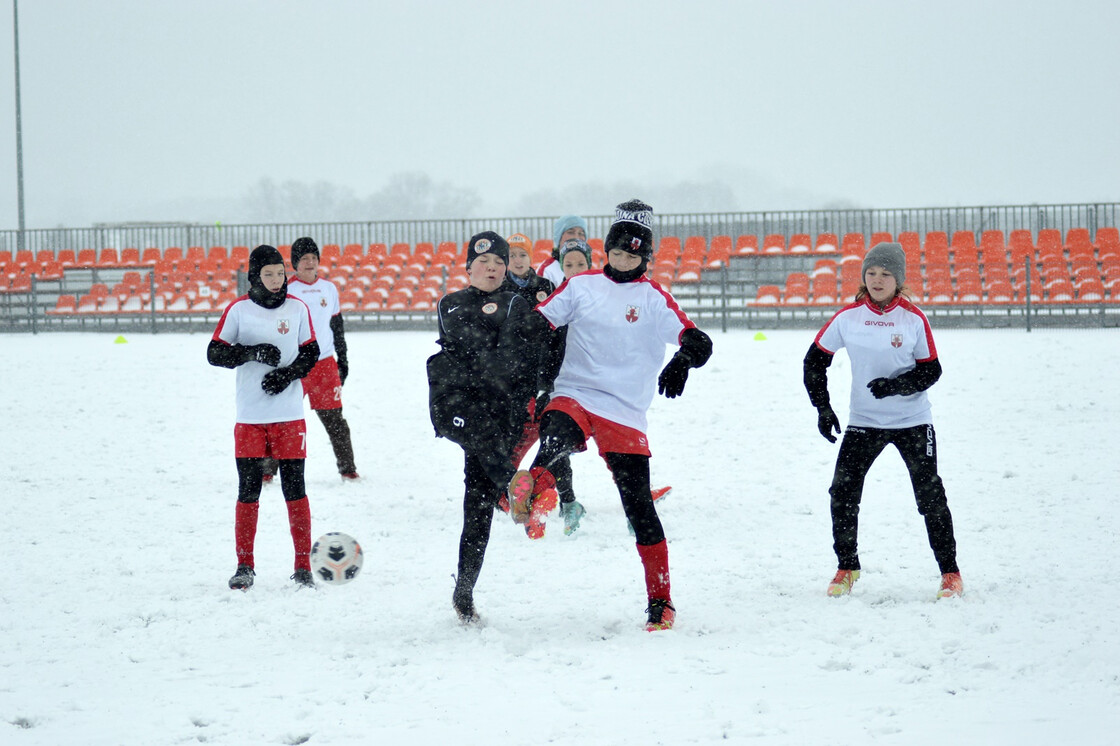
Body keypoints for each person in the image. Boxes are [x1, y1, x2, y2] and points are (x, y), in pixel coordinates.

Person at [514, 200, 713, 631]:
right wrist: (525, 324)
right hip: (576, 392)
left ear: (646, 257)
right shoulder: (582, 286)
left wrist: (682, 360)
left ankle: (661, 602)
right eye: (617, 253)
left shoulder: (654, 298)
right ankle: (537, 490)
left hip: (624, 411)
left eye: (633, 256)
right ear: (606, 250)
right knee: (555, 431)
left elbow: (698, 340)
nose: (623, 262)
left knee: (639, 505)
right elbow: (537, 323)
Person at [802, 241, 963, 600]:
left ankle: (950, 573)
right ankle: (847, 566)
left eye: (885, 274)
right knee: (842, 492)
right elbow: (814, 362)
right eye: (871, 272)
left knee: (929, 495)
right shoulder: (848, 318)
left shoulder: (913, 318)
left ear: (898, 279)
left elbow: (931, 370)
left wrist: (896, 386)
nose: (877, 279)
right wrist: (823, 408)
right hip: (864, 422)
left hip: (913, 422)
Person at [427, 231, 552, 623]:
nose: (492, 267)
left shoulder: (518, 303)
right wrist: (490, 356)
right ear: (468, 269)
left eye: (499, 262)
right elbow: (471, 346)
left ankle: (463, 594)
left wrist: (491, 359)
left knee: (475, 508)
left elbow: (513, 356)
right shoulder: (451, 303)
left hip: (500, 412)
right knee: (482, 463)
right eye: (483, 262)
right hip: (458, 407)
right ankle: (513, 486)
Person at [207, 244, 320, 590]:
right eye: (267, 274)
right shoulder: (238, 310)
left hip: (289, 415)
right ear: (254, 276)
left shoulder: (298, 308)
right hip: (250, 416)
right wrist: (250, 352)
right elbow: (214, 353)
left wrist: (287, 375)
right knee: (249, 489)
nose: (276, 280)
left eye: (280, 273)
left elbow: (310, 352)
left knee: (294, 488)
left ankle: (302, 567)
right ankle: (244, 566)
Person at [284, 236, 360, 481]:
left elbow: (336, 325)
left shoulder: (329, 288)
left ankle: (348, 469)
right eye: (304, 259)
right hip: (296, 363)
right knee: (284, 418)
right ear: (295, 263)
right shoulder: (287, 289)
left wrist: (343, 359)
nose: (309, 263)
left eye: (313, 258)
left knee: (335, 419)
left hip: (325, 364)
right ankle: (267, 472)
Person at [536, 215, 588, 287]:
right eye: (571, 232)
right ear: (559, 237)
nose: (576, 237)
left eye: (581, 233)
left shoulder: (589, 269)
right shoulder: (547, 270)